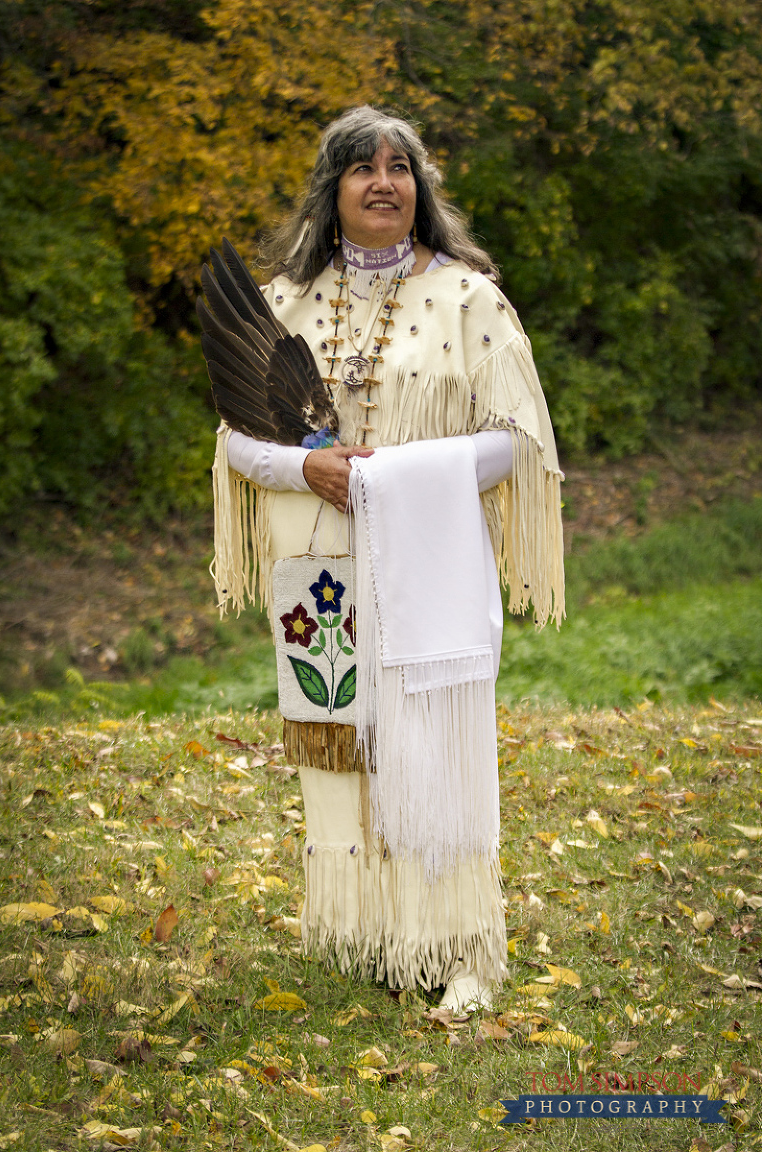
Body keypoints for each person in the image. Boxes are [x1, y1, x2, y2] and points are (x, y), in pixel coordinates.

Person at [211, 105, 564, 1011]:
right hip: (319, 566)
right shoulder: (288, 301)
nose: (382, 182)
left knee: (428, 746)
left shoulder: (467, 299)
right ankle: (374, 931)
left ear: (420, 189)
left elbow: (512, 441)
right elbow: (237, 447)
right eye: (361, 168)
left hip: (425, 557)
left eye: (399, 167)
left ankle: (457, 947)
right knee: (339, 743)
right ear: (332, 192)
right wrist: (307, 465)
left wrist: (400, 477)